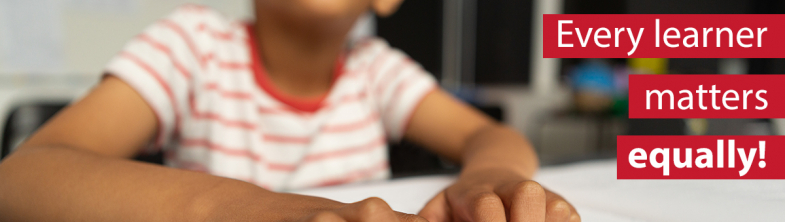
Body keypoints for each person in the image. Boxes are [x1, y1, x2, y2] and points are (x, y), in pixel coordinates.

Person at [0, 0, 580, 221]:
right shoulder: (191, 45)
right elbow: (21, 175)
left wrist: (488, 180)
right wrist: (259, 212)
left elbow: (491, 136)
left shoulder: (375, 68)